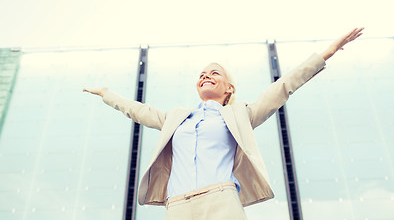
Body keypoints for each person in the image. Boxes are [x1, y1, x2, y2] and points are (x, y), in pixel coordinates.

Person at [83, 28, 364, 220]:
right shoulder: (175, 118)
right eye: (202, 74)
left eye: (214, 73)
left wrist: (327, 52)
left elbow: (284, 86)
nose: (206, 76)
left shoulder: (241, 114)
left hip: (221, 202)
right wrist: (108, 95)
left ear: (229, 88)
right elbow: (137, 110)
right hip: (178, 206)